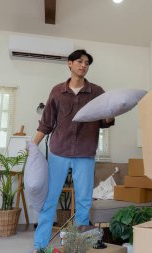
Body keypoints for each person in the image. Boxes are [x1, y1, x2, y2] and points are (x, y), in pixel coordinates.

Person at [32, 49, 115, 251]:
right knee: (50, 200)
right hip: (58, 152)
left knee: (84, 202)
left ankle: (77, 246)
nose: (83, 65)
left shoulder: (97, 92)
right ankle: (40, 246)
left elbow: (105, 121)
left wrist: (111, 115)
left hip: (85, 153)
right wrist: (32, 148)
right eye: (79, 61)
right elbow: (46, 124)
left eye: (87, 62)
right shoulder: (57, 91)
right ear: (70, 64)